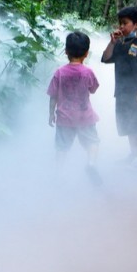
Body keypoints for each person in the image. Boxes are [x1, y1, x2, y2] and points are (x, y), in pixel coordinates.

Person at [101, 6, 137, 168]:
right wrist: (112, 42)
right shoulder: (119, 44)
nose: (121, 27)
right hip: (122, 93)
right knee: (128, 125)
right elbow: (106, 58)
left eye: (125, 23)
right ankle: (134, 154)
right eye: (120, 23)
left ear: (136, 24)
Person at [47, 31, 102, 185]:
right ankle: (91, 163)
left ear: (66, 52)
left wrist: (51, 114)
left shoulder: (59, 73)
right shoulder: (87, 72)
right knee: (93, 141)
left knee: (62, 147)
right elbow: (93, 89)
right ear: (86, 53)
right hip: (85, 117)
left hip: (64, 118)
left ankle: (58, 174)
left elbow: (53, 95)